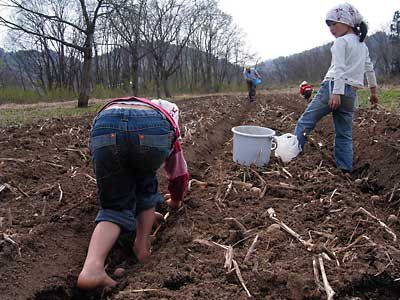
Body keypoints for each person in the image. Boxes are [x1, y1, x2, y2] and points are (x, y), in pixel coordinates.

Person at [77, 96, 189, 291]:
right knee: (146, 185)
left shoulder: (134, 106)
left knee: (114, 206)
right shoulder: (166, 121)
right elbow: (179, 175)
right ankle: (142, 246)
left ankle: (92, 266)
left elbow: (109, 161)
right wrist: (176, 201)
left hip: (105, 124)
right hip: (150, 131)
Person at [294, 3, 379, 173]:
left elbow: (339, 68)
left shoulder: (341, 42)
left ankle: (291, 157)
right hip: (351, 95)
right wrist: (373, 92)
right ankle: (345, 169)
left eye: (334, 23)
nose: (331, 29)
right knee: (344, 135)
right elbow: (369, 69)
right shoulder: (362, 45)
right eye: (329, 25)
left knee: (305, 122)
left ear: (347, 22)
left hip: (334, 89)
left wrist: (336, 92)